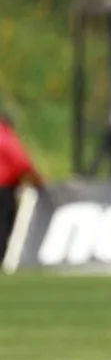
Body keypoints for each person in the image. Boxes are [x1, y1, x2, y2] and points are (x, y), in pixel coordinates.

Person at [0, 112, 44, 265]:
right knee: (3, 224)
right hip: (3, 188)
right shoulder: (5, 137)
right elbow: (21, 163)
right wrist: (38, 181)